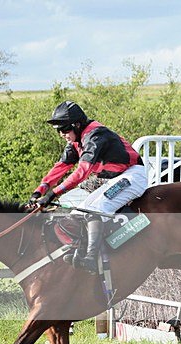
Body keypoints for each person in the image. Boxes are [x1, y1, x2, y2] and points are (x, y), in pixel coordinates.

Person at [28, 101, 147, 273]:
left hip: (131, 176)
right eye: (58, 130)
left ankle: (91, 257)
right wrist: (39, 190)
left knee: (95, 209)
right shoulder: (77, 140)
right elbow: (61, 166)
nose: (61, 134)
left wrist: (52, 194)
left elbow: (82, 172)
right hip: (112, 178)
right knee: (79, 212)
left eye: (64, 129)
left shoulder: (95, 136)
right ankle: (81, 251)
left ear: (76, 124)